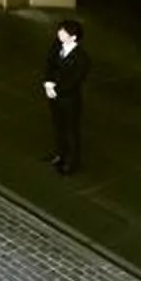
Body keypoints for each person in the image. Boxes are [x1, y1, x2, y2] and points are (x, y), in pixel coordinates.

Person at [42, 18, 90, 176]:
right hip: (55, 95)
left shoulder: (82, 58)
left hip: (69, 100)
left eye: (63, 32)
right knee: (58, 127)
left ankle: (72, 161)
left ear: (73, 37)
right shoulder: (56, 46)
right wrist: (48, 83)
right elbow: (49, 64)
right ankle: (59, 154)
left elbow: (75, 80)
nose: (59, 33)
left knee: (71, 130)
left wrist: (57, 90)